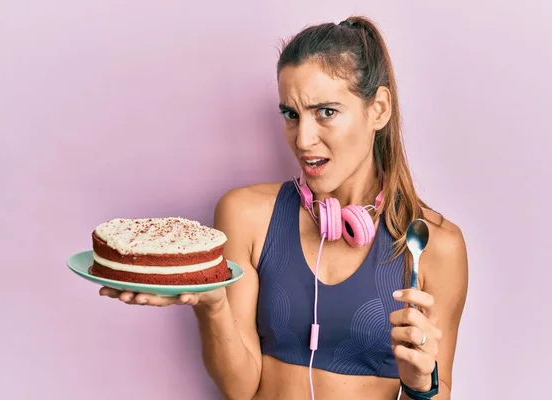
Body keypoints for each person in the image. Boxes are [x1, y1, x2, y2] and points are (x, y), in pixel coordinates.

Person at [99, 15, 469, 400]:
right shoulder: (245, 215)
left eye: (326, 112)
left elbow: (436, 395)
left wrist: (420, 383)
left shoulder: (432, 245)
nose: (304, 139)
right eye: (291, 115)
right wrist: (211, 304)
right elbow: (239, 389)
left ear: (377, 109)